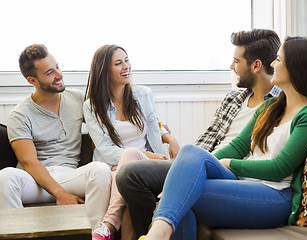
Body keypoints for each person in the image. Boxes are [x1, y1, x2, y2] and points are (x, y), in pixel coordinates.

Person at [138, 36, 307, 240]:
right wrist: (182, 182)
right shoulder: (272, 107)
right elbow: (237, 147)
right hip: (245, 183)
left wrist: (230, 165)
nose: (272, 64)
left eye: (278, 60)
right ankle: (159, 234)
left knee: (185, 196)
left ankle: (156, 234)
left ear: (296, 67)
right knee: (190, 154)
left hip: (276, 195)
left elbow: (280, 168)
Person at [116, 29, 282, 237]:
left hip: (233, 175)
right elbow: (207, 139)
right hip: (205, 163)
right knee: (129, 174)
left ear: (256, 65)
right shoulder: (234, 98)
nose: (232, 67)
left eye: (236, 61)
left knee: (180, 192)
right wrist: (183, 172)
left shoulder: (279, 105)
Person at [0, 44, 112, 230]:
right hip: (35, 182)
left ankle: (97, 234)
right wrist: (60, 193)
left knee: (100, 170)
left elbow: (109, 122)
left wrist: (159, 130)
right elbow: (28, 162)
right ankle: (17, 233)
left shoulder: (77, 98)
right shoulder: (19, 114)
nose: (59, 75)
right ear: (32, 80)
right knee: (5, 177)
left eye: (57, 67)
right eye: (50, 72)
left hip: (70, 175)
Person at [83, 45, 180, 240]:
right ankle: (112, 223)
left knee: (130, 173)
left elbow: (154, 125)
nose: (126, 66)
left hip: (145, 164)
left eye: (127, 60)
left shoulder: (143, 94)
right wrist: (149, 156)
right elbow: (106, 149)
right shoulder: (92, 106)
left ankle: (109, 224)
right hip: (113, 165)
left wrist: (170, 139)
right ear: (103, 71)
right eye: (118, 63)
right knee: (128, 165)